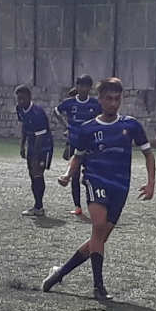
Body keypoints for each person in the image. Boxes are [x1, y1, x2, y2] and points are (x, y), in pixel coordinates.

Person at [42, 77, 156, 301]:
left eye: (117, 98)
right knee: (98, 227)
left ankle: (59, 273)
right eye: (109, 99)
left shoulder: (131, 125)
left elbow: (148, 154)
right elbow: (77, 156)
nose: (114, 103)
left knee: (99, 238)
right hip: (95, 180)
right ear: (101, 100)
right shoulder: (88, 129)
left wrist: (151, 183)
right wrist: (67, 175)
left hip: (120, 187)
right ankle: (98, 287)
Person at [55, 75, 102, 216]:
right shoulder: (69, 103)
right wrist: (65, 127)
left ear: (90, 88)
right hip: (73, 143)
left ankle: (94, 205)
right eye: (81, 86)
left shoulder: (95, 104)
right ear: (77, 87)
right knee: (74, 176)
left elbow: (103, 117)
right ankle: (77, 206)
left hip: (90, 145)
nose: (83, 89)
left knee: (90, 176)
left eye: (86, 86)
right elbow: (56, 112)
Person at [15, 85, 54, 216]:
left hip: (44, 146)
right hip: (32, 144)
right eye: (18, 99)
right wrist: (22, 145)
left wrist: (36, 158)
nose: (20, 101)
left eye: (23, 99)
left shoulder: (38, 113)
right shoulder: (19, 109)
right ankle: (37, 206)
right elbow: (24, 127)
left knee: (37, 173)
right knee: (32, 174)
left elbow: (41, 136)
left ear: (30, 97)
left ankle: (39, 207)